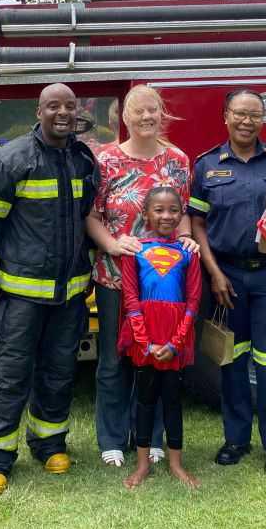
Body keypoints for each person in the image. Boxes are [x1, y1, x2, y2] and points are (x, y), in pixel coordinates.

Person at [0, 83, 99, 495]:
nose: (63, 112)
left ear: (77, 112)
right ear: (39, 111)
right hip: (18, 296)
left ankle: (49, 444)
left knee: (58, 374)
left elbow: (87, 219)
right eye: (53, 106)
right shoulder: (11, 159)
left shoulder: (82, 159)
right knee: (9, 375)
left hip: (68, 295)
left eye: (69, 106)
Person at [189, 89, 266, 476]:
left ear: (264, 119)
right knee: (231, 360)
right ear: (226, 116)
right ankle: (236, 440)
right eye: (240, 114)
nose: (247, 122)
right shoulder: (207, 165)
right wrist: (214, 273)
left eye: (255, 115)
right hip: (227, 274)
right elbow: (196, 223)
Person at [85, 85, 196, 469]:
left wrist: (185, 242)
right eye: (139, 111)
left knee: (159, 358)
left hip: (164, 283)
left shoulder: (178, 161)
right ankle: (112, 440)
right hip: (116, 277)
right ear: (123, 117)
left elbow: (182, 214)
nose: (147, 117)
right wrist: (113, 245)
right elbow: (92, 215)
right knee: (116, 359)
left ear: (162, 113)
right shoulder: (106, 161)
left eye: (153, 110)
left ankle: (150, 437)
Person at [119, 187, 202, 489]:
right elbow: (130, 298)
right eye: (159, 210)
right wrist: (145, 342)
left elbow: (193, 302)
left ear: (181, 215)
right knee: (144, 401)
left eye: (173, 210)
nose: (166, 216)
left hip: (174, 336)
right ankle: (142, 465)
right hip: (146, 337)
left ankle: (176, 464)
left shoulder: (188, 252)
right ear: (146, 214)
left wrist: (175, 343)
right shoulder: (136, 250)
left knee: (172, 401)